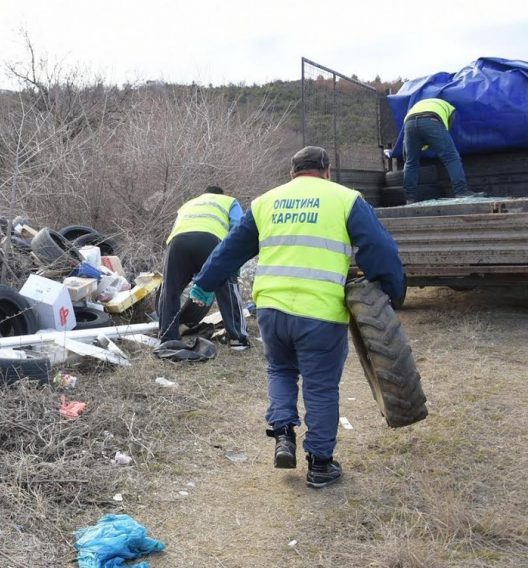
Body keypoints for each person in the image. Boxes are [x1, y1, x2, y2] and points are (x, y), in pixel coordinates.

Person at [189, 147, 404, 488]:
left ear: (292, 173)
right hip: (321, 312)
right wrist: (390, 292)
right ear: (327, 171)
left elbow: (230, 249)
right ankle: (320, 464)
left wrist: (203, 283)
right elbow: (380, 248)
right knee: (320, 387)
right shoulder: (346, 199)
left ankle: (283, 435)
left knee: (280, 370)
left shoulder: (265, 201)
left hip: (272, 310)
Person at [158, 185, 250, 349]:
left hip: (177, 243)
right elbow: (239, 229)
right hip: (210, 240)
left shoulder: (188, 204)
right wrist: (232, 268)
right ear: (220, 194)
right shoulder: (229, 201)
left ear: (204, 194)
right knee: (226, 287)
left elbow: (176, 227)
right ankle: (237, 339)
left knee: (170, 290)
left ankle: (168, 338)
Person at [402, 97, 481, 201]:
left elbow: (407, 147)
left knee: (411, 162)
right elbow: (445, 129)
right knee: (451, 157)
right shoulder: (450, 108)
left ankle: (410, 198)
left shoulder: (417, 106)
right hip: (431, 119)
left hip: (409, 122)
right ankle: (461, 191)